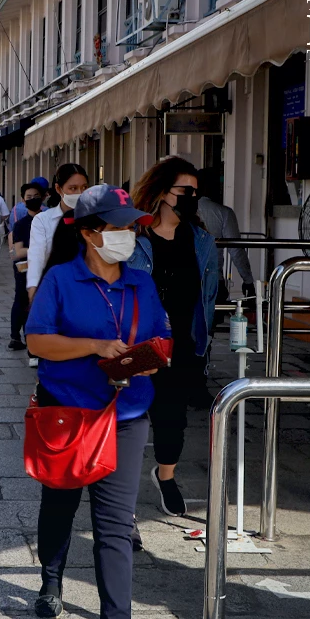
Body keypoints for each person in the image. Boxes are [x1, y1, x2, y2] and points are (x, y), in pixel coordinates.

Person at [25, 184, 166, 619]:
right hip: (67, 414)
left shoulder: (141, 282)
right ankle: (51, 579)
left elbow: (163, 336)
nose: (129, 235)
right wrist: (95, 346)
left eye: (132, 227)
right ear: (88, 233)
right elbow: (36, 341)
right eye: (118, 227)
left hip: (125, 416)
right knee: (60, 506)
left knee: (115, 526)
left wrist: (151, 358)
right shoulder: (60, 280)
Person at [127, 156, 218, 517]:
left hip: (181, 341)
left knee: (173, 417)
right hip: (141, 340)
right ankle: (119, 492)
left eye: (196, 191)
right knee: (131, 414)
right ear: (163, 191)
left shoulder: (201, 240)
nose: (192, 197)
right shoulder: (135, 237)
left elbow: (208, 294)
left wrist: (203, 340)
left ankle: (166, 477)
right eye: (185, 190)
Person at [27, 164, 89, 302]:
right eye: (73, 188)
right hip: (55, 287)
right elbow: (37, 256)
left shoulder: (94, 219)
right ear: (58, 189)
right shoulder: (43, 220)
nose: (79, 193)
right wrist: (33, 288)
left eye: (84, 187)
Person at [196, 166, 256, 308]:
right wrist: (248, 281)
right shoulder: (223, 213)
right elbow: (236, 250)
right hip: (214, 280)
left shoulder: (178, 212)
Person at [9, 182, 45, 351]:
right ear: (23, 200)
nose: (32, 199)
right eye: (29, 197)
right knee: (22, 299)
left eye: (36, 196)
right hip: (24, 268)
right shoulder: (21, 224)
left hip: (45, 268)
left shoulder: (48, 220)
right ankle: (15, 336)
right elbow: (18, 251)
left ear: (43, 198)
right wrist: (41, 250)